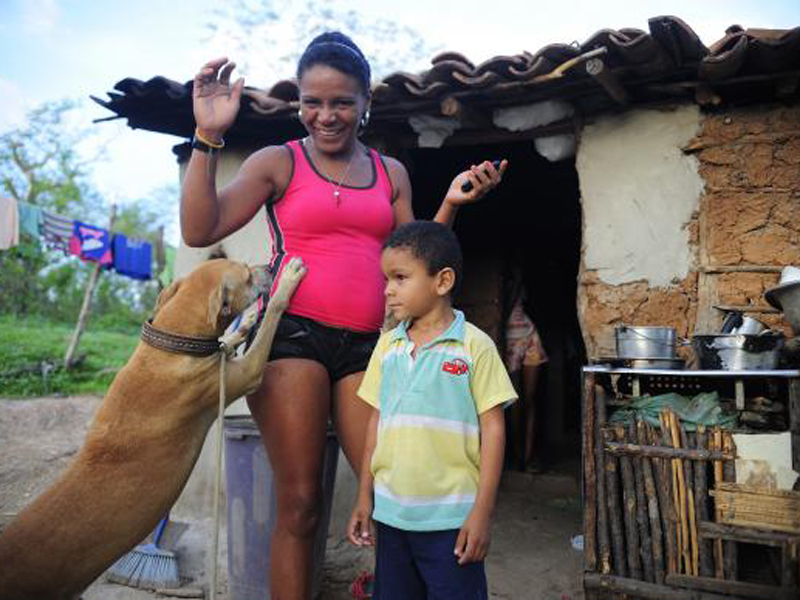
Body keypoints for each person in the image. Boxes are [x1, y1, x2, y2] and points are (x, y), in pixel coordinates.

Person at [180, 31, 507, 599]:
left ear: (365, 104)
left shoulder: (391, 174)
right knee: (302, 503)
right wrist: (208, 135)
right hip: (293, 338)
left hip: (376, 347)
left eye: (341, 102)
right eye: (313, 101)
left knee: (392, 494)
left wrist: (451, 202)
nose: (325, 115)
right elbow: (198, 229)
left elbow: (416, 258)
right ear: (299, 101)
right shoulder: (276, 162)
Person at [347, 221, 517, 599]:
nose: (388, 289)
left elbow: (494, 430)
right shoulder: (387, 347)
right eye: (386, 279)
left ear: (442, 282)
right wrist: (364, 496)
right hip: (392, 517)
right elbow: (377, 421)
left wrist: (482, 512)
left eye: (400, 277)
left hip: (451, 520)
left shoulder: (475, 347)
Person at [503, 270, 548, 472]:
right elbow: (504, 306)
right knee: (514, 401)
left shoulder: (521, 279)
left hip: (529, 334)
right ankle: (518, 455)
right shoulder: (504, 278)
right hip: (509, 340)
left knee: (529, 399)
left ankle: (528, 457)